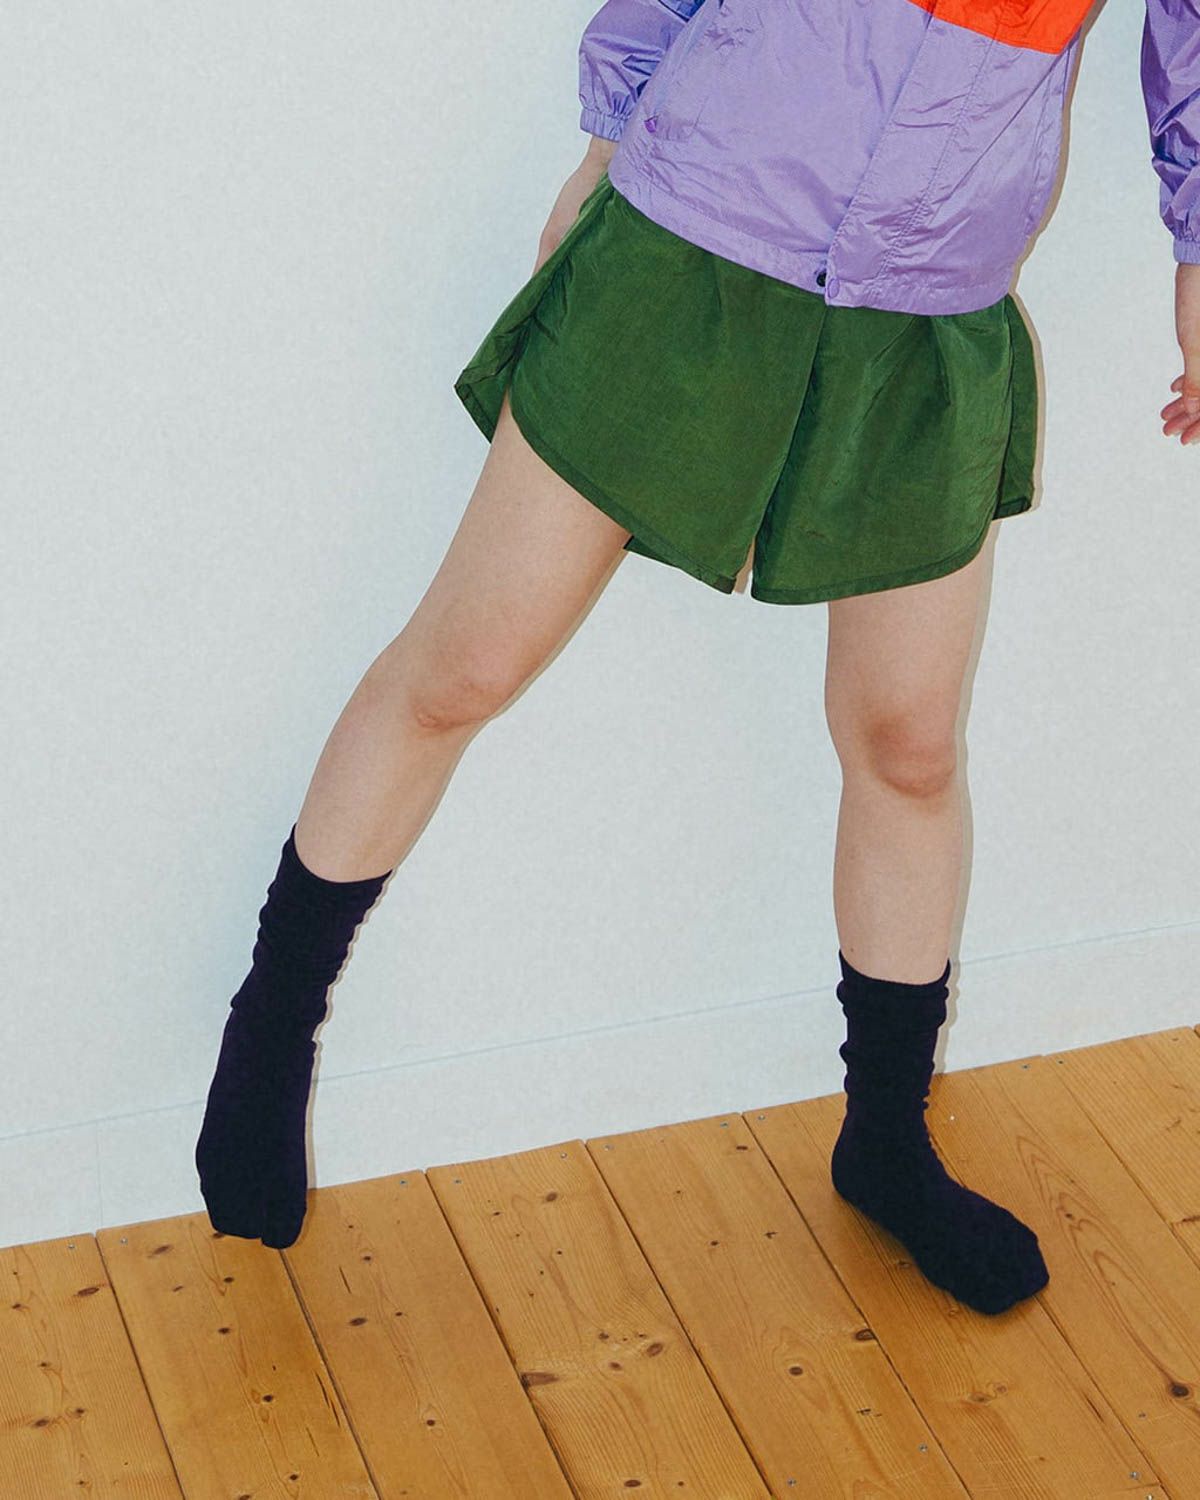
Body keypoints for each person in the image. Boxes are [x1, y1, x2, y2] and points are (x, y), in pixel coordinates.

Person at [194, 0, 1199, 1316]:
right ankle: (271, 1030)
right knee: (465, 667)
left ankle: (885, 1142)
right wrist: (604, 146)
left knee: (909, 746)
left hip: (931, 302)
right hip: (695, 243)